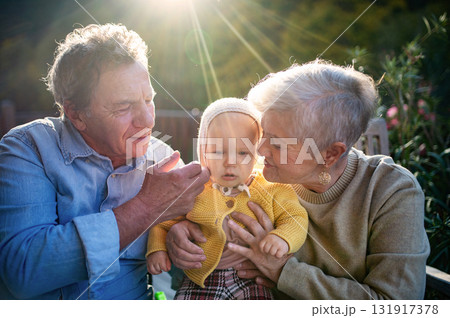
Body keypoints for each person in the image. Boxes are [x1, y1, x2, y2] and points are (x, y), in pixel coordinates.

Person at [165, 60, 430, 299]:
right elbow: (207, 228)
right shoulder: (253, 176)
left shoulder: (392, 192)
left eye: (278, 143)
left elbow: (395, 304)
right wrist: (179, 232)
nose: (260, 150)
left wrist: (283, 271)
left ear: (330, 153)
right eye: (263, 134)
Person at [0, 23, 209, 299]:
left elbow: (201, 254)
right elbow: (23, 271)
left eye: (148, 99)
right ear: (76, 114)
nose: (147, 120)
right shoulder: (27, 149)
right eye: (123, 107)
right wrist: (147, 206)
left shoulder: (162, 159)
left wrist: (178, 234)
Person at [146, 98, 308, 299]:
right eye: (218, 151)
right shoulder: (194, 189)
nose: (230, 162)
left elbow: (295, 218)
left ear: (257, 153)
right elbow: (164, 222)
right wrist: (157, 249)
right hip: (201, 281)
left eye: (242, 152)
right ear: (203, 151)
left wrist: (282, 238)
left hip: (252, 278)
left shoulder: (273, 189)